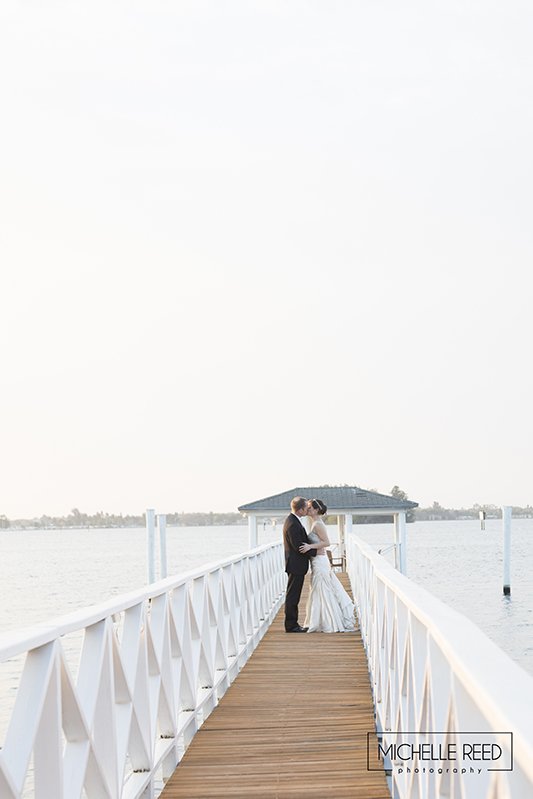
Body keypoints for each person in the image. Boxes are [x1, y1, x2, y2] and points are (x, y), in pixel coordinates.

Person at [299, 499, 356, 633]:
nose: (307, 510)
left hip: (320, 561)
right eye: (307, 508)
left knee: (322, 589)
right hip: (316, 559)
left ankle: (329, 621)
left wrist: (309, 546)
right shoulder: (314, 523)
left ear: (316, 510)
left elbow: (327, 542)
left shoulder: (318, 525)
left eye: (310, 508)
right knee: (318, 589)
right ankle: (319, 619)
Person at [283, 496, 317, 632]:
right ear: (301, 509)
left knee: (294, 595)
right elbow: (299, 546)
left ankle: (293, 624)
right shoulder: (292, 523)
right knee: (293, 596)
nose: (307, 510)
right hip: (295, 565)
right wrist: (316, 551)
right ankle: (291, 626)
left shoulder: (293, 521)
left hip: (296, 565)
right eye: (306, 508)